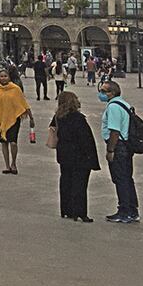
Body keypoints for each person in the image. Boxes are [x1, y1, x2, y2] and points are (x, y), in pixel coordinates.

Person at [50, 91, 99, 222]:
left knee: (66, 181)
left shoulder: (58, 117)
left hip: (64, 154)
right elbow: (85, 139)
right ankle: (80, 212)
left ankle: (66, 209)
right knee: (80, 185)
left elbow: (53, 131)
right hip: (79, 156)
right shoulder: (78, 118)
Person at [99, 80, 139, 223]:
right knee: (127, 178)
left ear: (112, 93)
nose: (101, 94)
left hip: (119, 146)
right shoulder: (123, 104)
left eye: (104, 91)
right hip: (126, 146)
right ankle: (132, 210)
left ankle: (124, 211)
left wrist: (110, 150)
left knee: (120, 179)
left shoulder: (114, 107)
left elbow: (114, 131)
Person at [0, 68, 34, 174]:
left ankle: (14, 163)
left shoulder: (16, 89)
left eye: (5, 76)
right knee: (4, 143)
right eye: (1, 76)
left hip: (14, 119)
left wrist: (31, 118)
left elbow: (24, 103)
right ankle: (7, 166)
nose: (3, 78)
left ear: (9, 77)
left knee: (13, 142)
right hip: (1, 120)